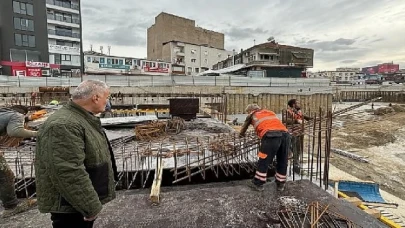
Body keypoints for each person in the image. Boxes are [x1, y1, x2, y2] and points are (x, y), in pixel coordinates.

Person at [35, 80, 118, 228]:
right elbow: (68, 170)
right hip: (72, 207)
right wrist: (89, 207)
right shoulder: (64, 124)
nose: (108, 101)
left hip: (77, 204)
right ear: (96, 98)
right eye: (107, 97)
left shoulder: (81, 118)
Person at [0, 105, 41, 218]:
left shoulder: (4, 113)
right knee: (6, 176)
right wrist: (37, 133)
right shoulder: (16, 115)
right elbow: (15, 131)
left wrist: (28, 119)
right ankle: (11, 207)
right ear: (23, 114)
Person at [239, 104, 290, 192]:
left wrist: (240, 135)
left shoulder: (252, 115)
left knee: (264, 160)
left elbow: (243, 128)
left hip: (271, 136)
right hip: (285, 135)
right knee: (282, 160)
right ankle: (281, 184)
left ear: (250, 110)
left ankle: (258, 183)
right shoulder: (270, 112)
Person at [286, 99, 312, 173]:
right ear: (293, 104)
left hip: (300, 132)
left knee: (298, 149)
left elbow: (304, 117)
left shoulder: (298, 111)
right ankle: (293, 162)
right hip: (292, 132)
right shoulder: (288, 111)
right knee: (293, 148)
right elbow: (285, 120)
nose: (299, 104)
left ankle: (296, 164)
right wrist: (296, 121)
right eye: (297, 103)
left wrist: (312, 119)